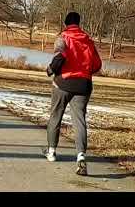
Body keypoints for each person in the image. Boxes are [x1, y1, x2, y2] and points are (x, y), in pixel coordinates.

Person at [43, 12, 102, 175]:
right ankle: (81, 157)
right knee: (79, 121)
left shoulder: (63, 37)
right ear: (79, 23)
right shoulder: (88, 40)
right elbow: (97, 64)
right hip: (83, 86)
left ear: (66, 23)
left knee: (55, 116)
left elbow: (59, 57)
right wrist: (84, 70)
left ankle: (51, 152)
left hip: (63, 83)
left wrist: (50, 70)